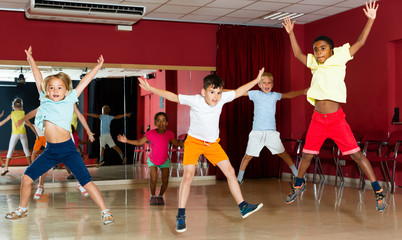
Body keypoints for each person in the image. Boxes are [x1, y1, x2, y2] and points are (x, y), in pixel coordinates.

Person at [282, 0, 386, 211]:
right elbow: (297, 54)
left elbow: (360, 42)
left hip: (337, 119)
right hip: (318, 119)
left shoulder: (339, 56)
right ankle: (298, 185)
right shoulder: (314, 64)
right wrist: (291, 33)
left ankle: (377, 190)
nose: (318, 51)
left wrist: (371, 20)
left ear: (331, 50)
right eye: (316, 49)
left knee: (357, 155)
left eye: (322, 48)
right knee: (307, 156)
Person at [138, 68, 265, 233]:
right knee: (188, 175)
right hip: (193, 142)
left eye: (219, 93)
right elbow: (173, 97)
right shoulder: (196, 100)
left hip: (212, 144)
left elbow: (240, 91)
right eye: (212, 92)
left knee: (231, 172)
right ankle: (181, 215)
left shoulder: (221, 99)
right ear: (203, 92)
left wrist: (256, 80)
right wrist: (151, 89)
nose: (216, 96)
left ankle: (243, 206)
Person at [4, 46, 114, 225]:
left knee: (86, 181)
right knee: (26, 177)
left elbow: (85, 81)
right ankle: (22, 209)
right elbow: (37, 76)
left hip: (68, 150)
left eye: (59, 88)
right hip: (51, 151)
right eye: (52, 87)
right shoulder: (44, 99)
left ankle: (105, 211)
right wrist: (30, 59)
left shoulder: (71, 98)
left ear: (66, 90)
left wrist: (98, 67)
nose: (55, 90)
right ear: (47, 90)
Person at [236, 72, 307, 184]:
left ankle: (297, 175)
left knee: (283, 154)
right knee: (248, 156)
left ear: (272, 84)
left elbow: (288, 95)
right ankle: (239, 178)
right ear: (259, 85)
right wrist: (220, 91)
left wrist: (302, 92)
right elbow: (238, 93)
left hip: (271, 133)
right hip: (257, 132)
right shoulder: (255, 94)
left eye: (269, 82)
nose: (266, 84)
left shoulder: (274, 95)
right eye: (264, 83)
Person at [117, 112, 183, 205]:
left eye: (163, 120)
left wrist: (189, 143)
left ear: (167, 123)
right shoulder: (150, 133)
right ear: (155, 123)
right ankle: (152, 196)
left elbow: (177, 144)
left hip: (164, 161)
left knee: (165, 180)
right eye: (158, 120)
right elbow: (140, 142)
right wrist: (126, 140)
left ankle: (160, 196)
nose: (161, 123)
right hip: (153, 161)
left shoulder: (170, 134)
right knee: (153, 178)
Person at [0, 98, 34, 176]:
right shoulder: (23, 114)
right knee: (26, 150)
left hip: (15, 134)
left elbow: (4, 121)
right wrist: (35, 132)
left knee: (10, 150)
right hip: (23, 133)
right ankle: (31, 167)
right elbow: (29, 124)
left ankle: (6, 168)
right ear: (21, 106)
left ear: (13, 106)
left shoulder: (12, 114)